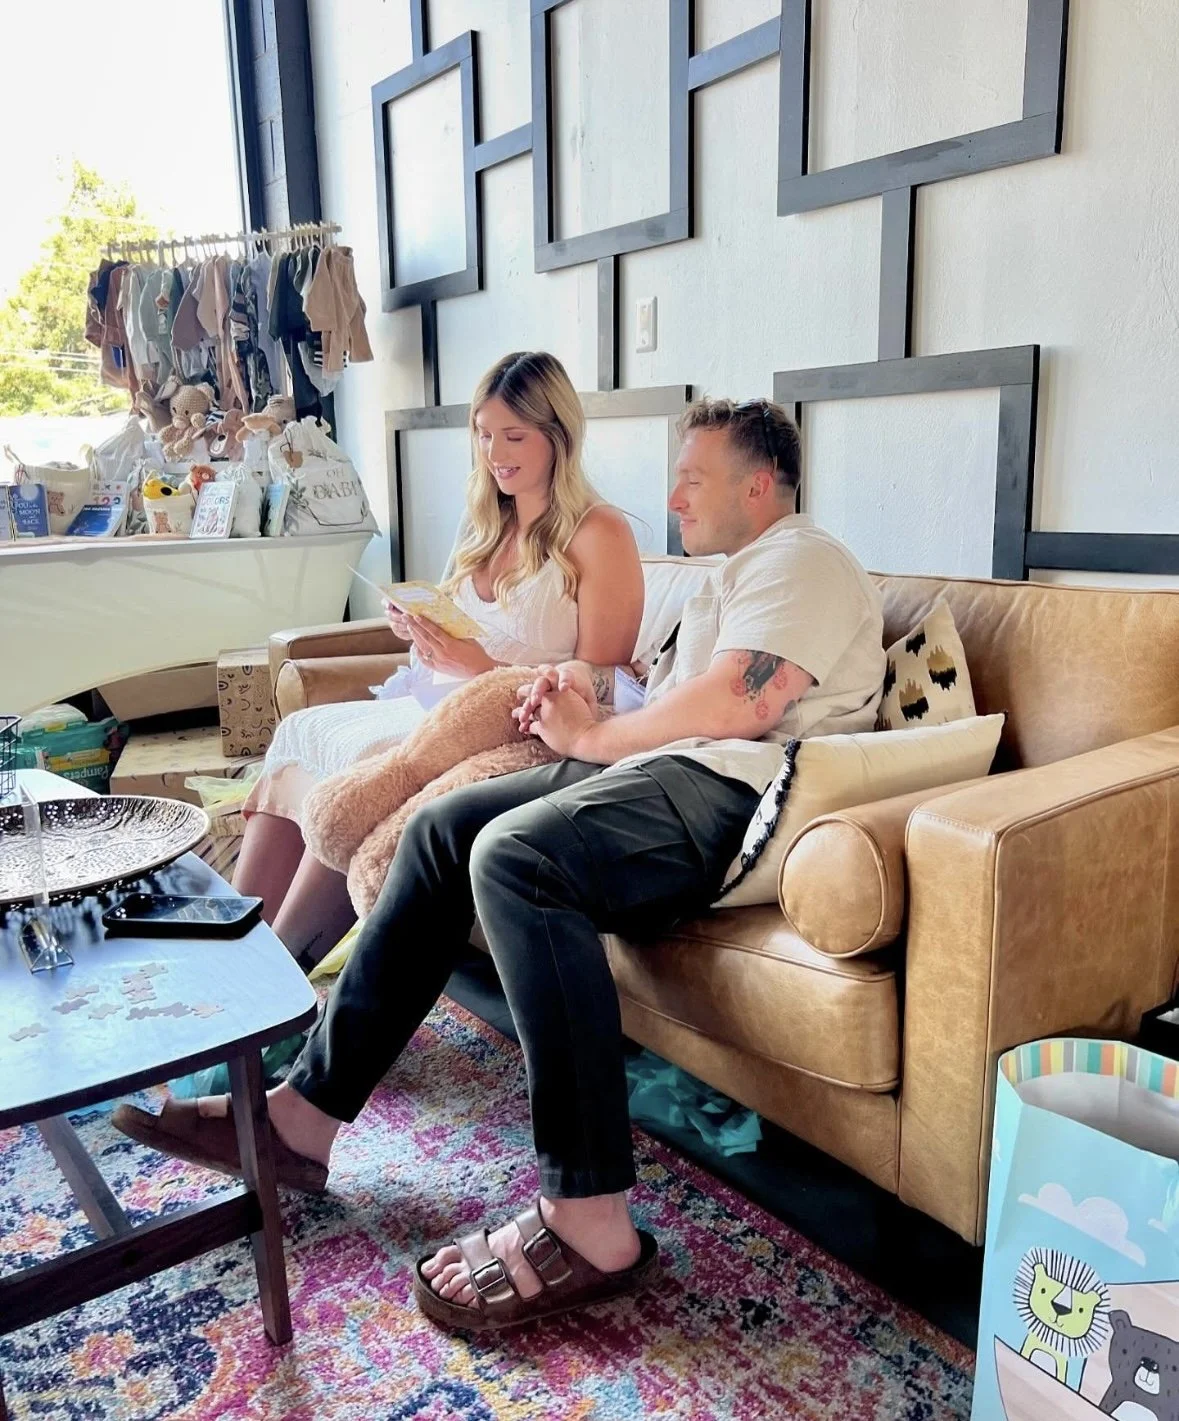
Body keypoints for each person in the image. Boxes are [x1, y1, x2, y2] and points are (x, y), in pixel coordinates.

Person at [113, 396, 886, 1331]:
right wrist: (575, 702)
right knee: (442, 827)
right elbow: (667, 699)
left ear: (759, 485)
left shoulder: (802, 557)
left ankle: (590, 1215)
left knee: (515, 857)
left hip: (739, 791)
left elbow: (741, 703)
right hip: (666, 770)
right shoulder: (728, 580)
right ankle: (300, 1120)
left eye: (693, 477)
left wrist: (592, 737)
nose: (674, 495)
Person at [232, 350, 644, 968]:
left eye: (514, 436)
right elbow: (459, 633)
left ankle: (280, 971)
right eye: (483, 434)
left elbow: (603, 681)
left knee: (364, 761)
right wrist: (420, 629)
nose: (495, 453)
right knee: (302, 729)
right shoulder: (487, 524)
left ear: (558, 436)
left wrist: (480, 666)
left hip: (517, 725)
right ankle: (239, 946)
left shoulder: (598, 531)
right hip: (440, 700)